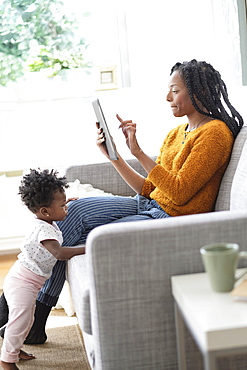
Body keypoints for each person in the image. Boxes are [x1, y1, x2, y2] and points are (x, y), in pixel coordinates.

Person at [0, 59, 244, 346]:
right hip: (148, 204)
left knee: (87, 234)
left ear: (197, 93)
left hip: (169, 217)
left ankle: (29, 318)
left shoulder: (214, 134)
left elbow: (178, 193)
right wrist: (114, 156)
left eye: (174, 91)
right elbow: (149, 188)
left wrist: (138, 151)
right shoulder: (177, 133)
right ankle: (17, 309)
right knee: (71, 212)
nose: (167, 98)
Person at [0, 169, 85, 370]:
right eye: (63, 206)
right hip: (22, 283)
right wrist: (89, 246)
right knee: (20, 321)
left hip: (27, 281)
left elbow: (56, 214)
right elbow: (59, 253)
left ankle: (14, 348)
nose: (67, 209)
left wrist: (64, 204)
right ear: (45, 211)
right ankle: (6, 361)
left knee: (27, 320)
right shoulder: (44, 230)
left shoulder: (46, 220)